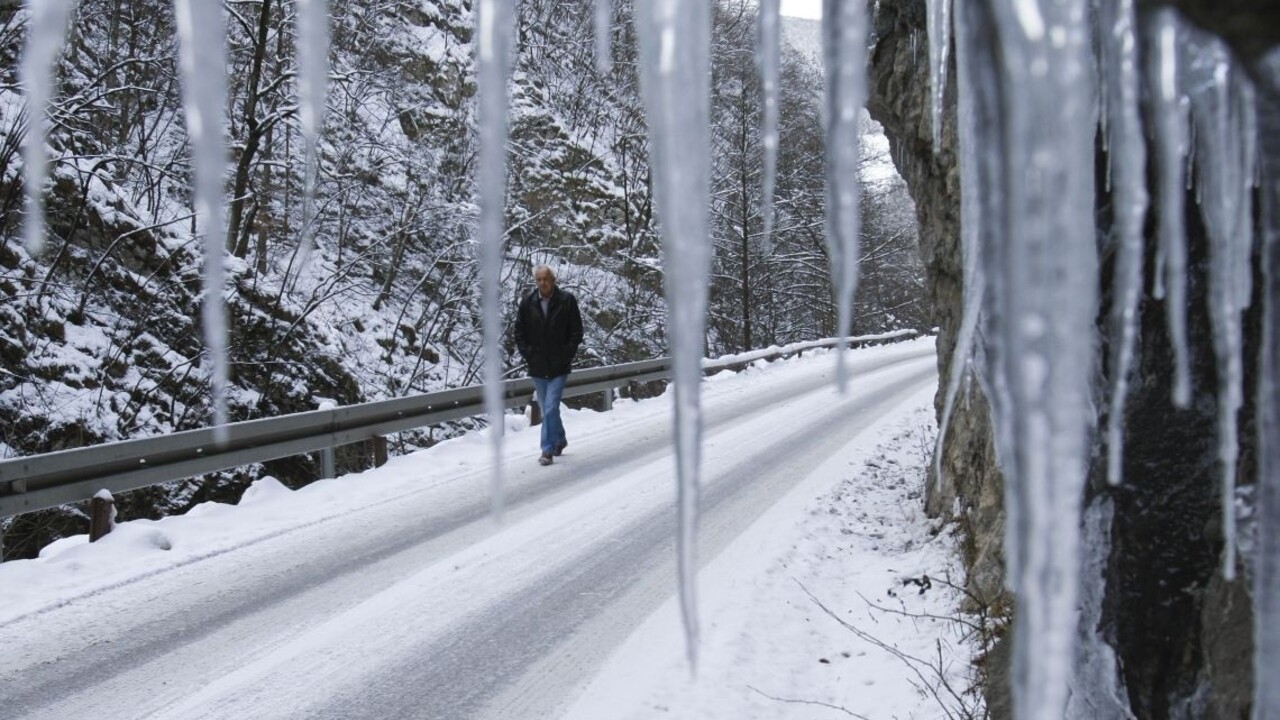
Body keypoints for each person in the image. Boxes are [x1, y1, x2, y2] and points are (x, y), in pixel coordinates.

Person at [513, 264, 583, 466]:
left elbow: (576, 331)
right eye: (539, 279)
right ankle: (559, 439)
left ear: (553, 280)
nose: (542, 283)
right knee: (548, 409)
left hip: (559, 366)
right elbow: (519, 332)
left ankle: (547, 450)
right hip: (537, 366)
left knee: (550, 407)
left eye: (546, 279)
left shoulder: (566, 301)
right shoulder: (527, 302)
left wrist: (566, 353)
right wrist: (529, 354)